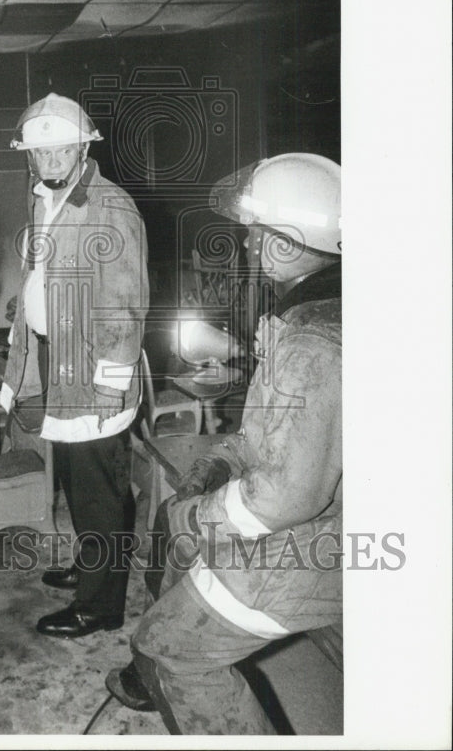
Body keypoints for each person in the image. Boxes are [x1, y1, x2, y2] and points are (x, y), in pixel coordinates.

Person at [106, 152, 342, 734]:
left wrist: (199, 515)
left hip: (317, 542)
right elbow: (275, 432)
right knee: (176, 518)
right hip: (316, 524)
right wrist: (219, 461)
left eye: (254, 235)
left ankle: (155, 662)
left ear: (284, 244)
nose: (247, 247)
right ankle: (149, 664)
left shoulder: (314, 342)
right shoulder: (310, 314)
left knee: (171, 646)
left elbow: (286, 498)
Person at [0, 93, 149, 638]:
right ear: (30, 157)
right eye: (41, 152)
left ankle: (100, 606)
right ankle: (92, 567)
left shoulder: (109, 208)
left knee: (99, 491)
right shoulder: (44, 200)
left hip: (92, 374)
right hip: (54, 360)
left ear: (84, 147)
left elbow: (126, 308)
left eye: (63, 149)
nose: (52, 160)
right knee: (73, 477)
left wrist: (111, 387)